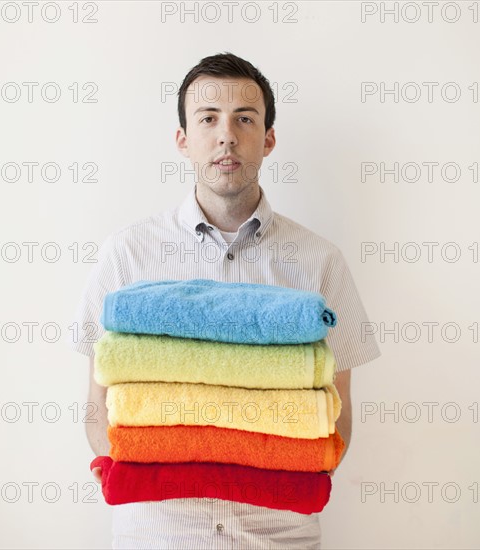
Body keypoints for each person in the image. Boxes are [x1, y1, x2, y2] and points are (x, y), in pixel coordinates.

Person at [69, 52, 381, 550]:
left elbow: (337, 416)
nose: (226, 135)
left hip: (277, 540)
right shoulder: (127, 255)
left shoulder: (320, 262)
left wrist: (272, 470)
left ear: (269, 138)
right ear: (183, 139)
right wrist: (153, 469)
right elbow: (98, 408)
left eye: (245, 119)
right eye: (208, 119)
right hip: (158, 538)